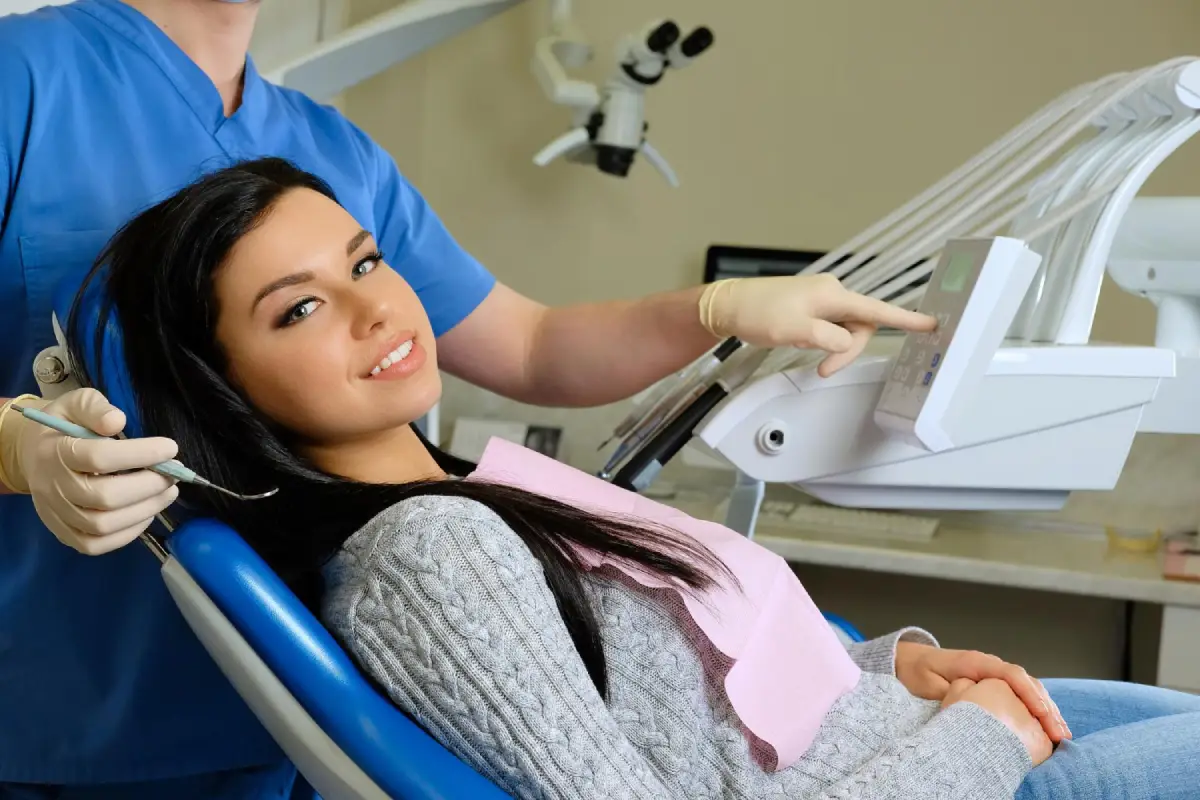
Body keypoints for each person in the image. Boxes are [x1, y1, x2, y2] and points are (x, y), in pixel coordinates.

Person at [0, 2, 942, 796]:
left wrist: (717, 309)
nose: (367, 301)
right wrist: (18, 451)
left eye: (367, 264)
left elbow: (530, 346)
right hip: (73, 720)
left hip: (309, 722)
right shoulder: (24, 81)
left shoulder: (327, 145)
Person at [55, 157, 1200, 799]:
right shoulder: (426, 553)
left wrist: (893, 662)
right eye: (299, 306)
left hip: (898, 734)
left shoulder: (465, 492)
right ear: (226, 384)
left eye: (365, 261)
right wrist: (985, 737)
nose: (376, 307)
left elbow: (696, 682)